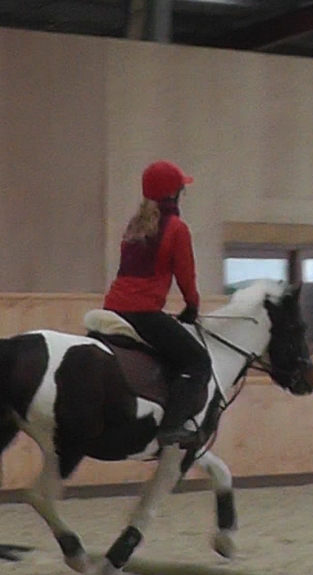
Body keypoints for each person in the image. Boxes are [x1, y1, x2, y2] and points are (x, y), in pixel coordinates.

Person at [103, 159, 212, 448]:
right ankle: (171, 427)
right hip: (144, 313)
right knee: (198, 361)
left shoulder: (134, 226)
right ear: (174, 193)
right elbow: (186, 274)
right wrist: (192, 306)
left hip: (113, 308)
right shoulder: (177, 228)